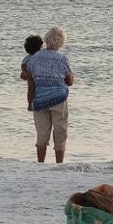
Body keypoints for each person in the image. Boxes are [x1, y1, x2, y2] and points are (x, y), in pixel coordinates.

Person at [23, 25, 74, 163]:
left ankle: (41, 163)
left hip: (40, 100)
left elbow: (28, 76)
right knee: (60, 133)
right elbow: (69, 81)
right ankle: (59, 165)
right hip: (58, 100)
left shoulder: (33, 58)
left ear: (46, 39)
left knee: (42, 133)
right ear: (61, 42)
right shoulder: (62, 59)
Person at [21, 35, 43, 108]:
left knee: (30, 86)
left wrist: (25, 74)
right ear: (40, 47)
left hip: (31, 78)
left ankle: (30, 104)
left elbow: (23, 69)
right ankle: (30, 103)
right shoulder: (41, 57)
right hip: (39, 79)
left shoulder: (26, 59)